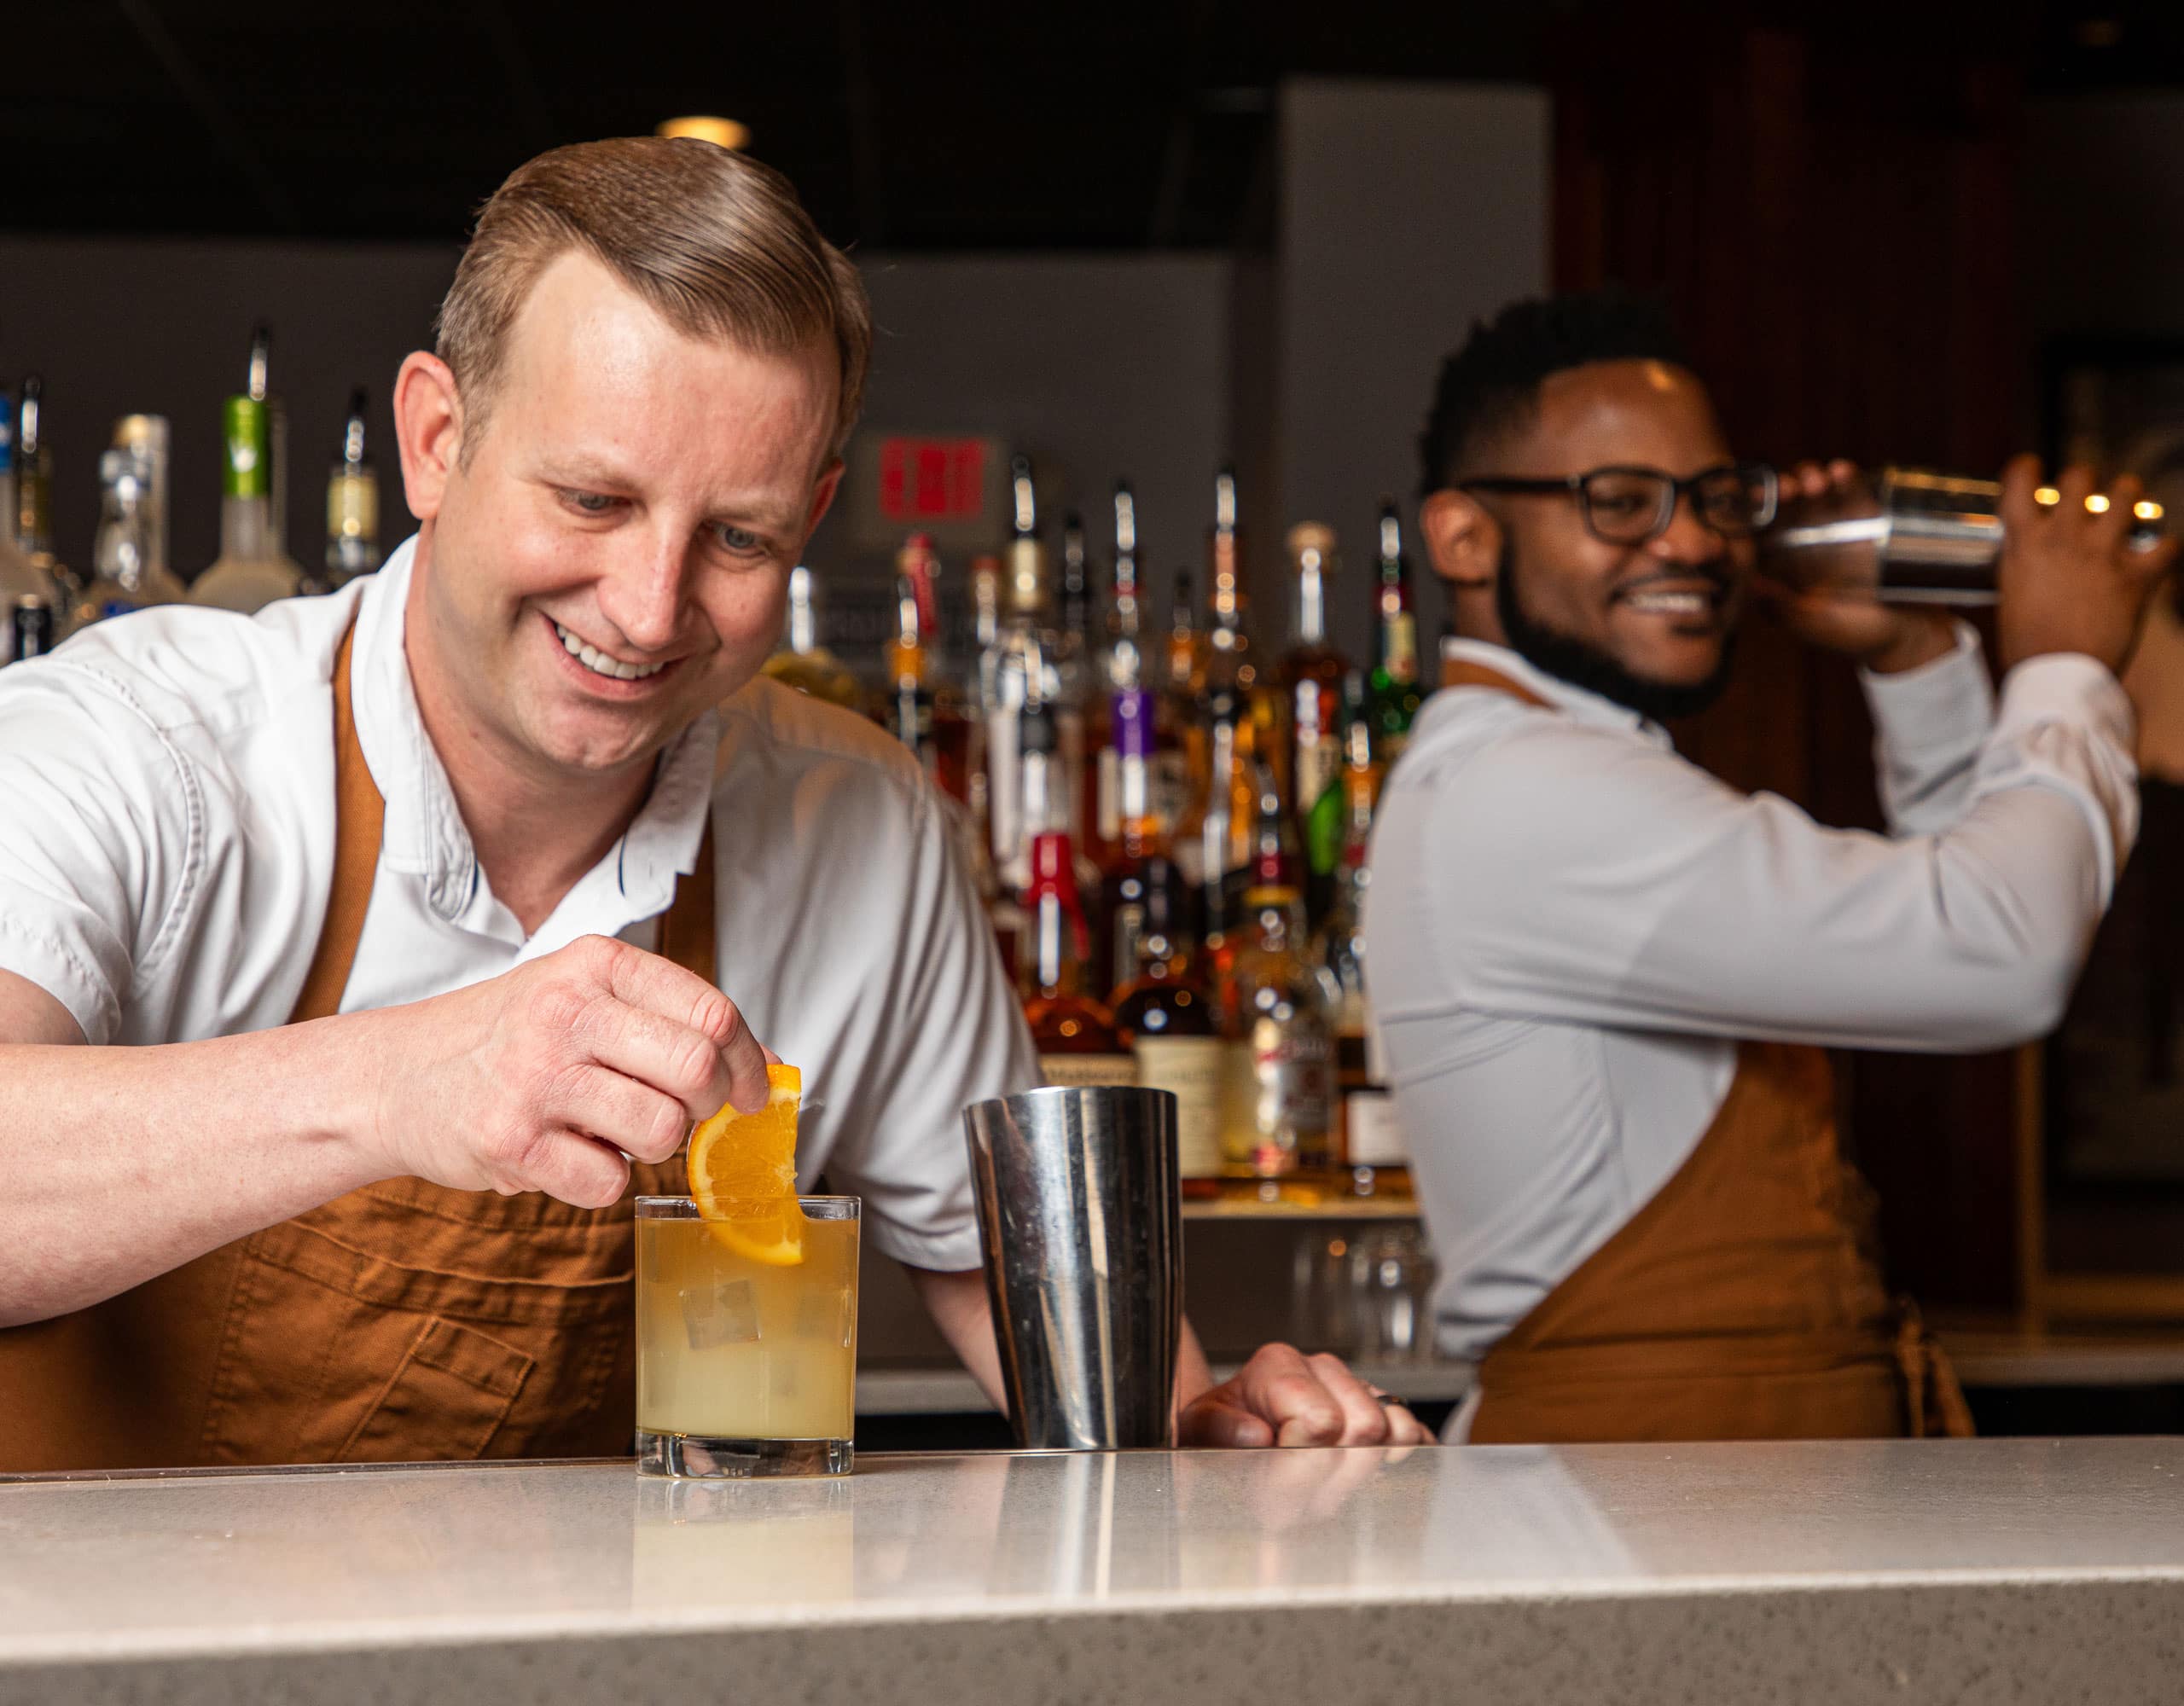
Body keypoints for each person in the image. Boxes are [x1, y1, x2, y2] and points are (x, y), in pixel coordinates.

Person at [0, 136, 1429, 1471]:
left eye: (736, 536)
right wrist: (400, 1084)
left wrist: (1210, 1433)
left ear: (811, 520)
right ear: (436, 439)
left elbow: (1012, 1290)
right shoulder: (139, 742)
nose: (646, 608)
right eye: (592, 500)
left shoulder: (859, 825)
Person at [1366, 291, 2172, 1443]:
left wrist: (1914, 654)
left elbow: (1962, 922)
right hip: (1627, 1500)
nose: (1692, 542)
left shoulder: (1563, 771)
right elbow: (2001, 953)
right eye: (1621, 501)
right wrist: (2067, 667)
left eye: (1715, 498)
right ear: (1463, 537)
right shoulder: (1520, 787)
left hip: (1730, 1492)